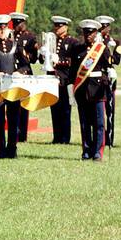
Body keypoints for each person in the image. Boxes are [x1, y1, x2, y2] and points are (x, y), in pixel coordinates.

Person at [0, 14, 28, 158]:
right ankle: (0, 151)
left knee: (14, 119)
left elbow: (25, 65)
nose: (2, 30)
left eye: (4, 27)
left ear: (8, 28)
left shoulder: (15, 46)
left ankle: (12, 150)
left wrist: (19, 72)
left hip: (13, 87)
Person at [71, 19, 113, 161]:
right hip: (82, 90)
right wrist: (71, 89)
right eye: (85, 32)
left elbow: (109, 66)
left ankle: (98, 152)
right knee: (84, 123)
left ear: (96, 33)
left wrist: (109, 76)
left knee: (99, 123)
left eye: (91, 32)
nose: (88, 35)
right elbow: (73, 72)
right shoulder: (77, 49)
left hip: (98, 90)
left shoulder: (101, 49)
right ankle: (86, 150)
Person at [45, 16, 78, 144]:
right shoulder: (52, 41)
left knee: (65, 110)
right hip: (53, 79)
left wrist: (60, 61)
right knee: (54, 109)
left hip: (65, 80)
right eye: (56, 26)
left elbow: (72, 61)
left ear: (66, 27)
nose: (57, 28)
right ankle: (56, 136)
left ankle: (65, 137)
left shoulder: (72, 42)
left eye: (60, 26)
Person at [10, 12, 38, 142]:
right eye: (14, 23)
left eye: (18, 23)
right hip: (12, 72)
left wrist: (22, 50)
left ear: (23, 23)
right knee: (12, 103)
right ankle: (13, 132)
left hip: (25, 71)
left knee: (24, 105)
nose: (16, 26)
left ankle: (22, 135)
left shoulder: (30, 37)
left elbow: (33, 59)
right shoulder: (10, 36)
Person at [96, 16, 119, 146]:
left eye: (105, 26)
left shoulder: (114, 42)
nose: (102, 29)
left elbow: (117, 59)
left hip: (109, 77)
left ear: (109, 27)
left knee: (109, 110)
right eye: (100, 26)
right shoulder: (94, 42)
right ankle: (99, 138)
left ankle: (109, 139)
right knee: (97, 112)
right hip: (96, 79)